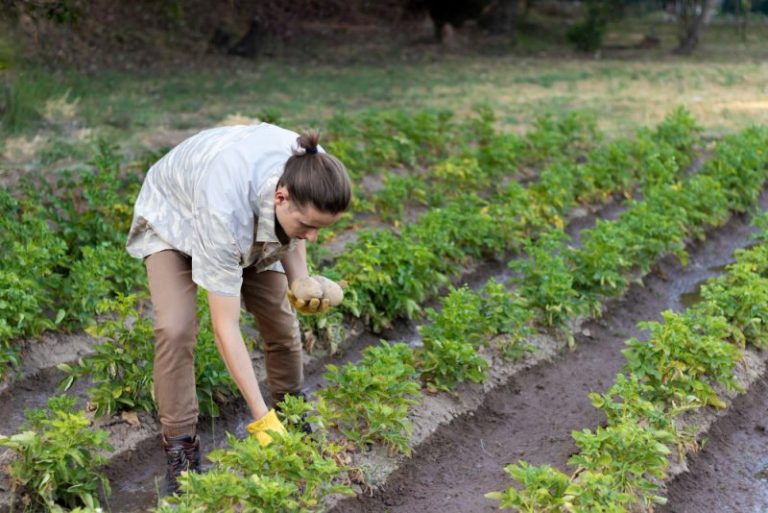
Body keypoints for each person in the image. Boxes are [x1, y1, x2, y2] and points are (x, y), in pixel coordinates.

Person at [125, 122, 351, 494]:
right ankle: (181, 449)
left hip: (242, 210)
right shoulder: (225, 213)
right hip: (175, 217)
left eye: (319, 229)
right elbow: (225, 328)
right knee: (176, 328)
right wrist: (260, 419)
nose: (312, 236)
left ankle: (292, 413)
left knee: (280, 319)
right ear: (281, 197)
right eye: (308, 226)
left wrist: (301, 280)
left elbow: (296, 232)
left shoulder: (315, 171)